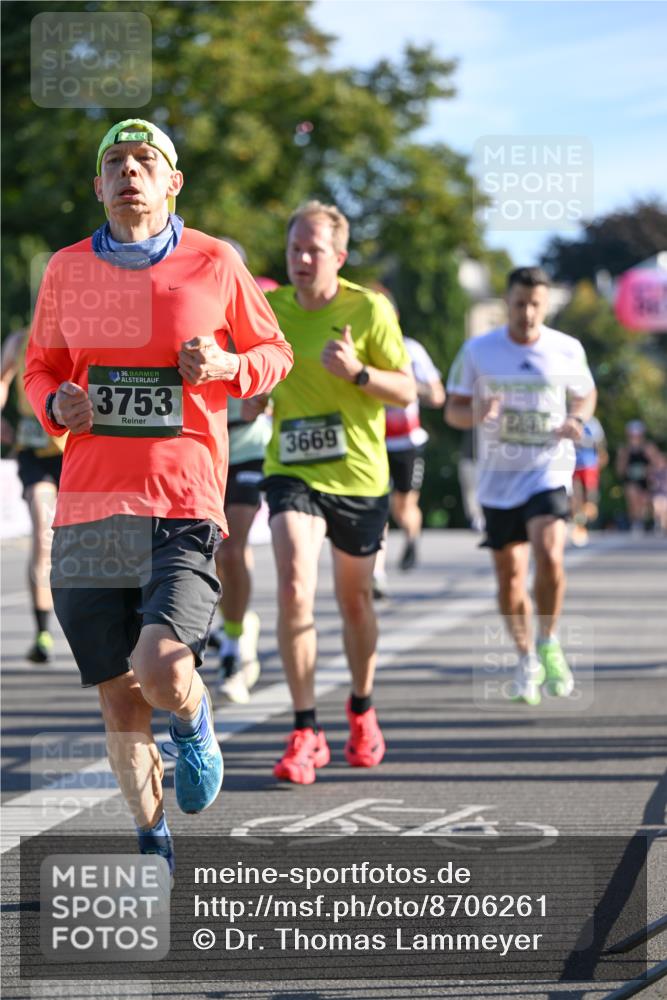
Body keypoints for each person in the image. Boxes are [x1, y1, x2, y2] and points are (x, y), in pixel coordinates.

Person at [24, 118, 293, 871]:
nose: (129, 172)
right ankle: (152, 840)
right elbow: (40, 368)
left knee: (163, 665)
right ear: (98, 185)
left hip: (179, 499)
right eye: (115, 162)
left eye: (146, 161)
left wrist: (225, 365)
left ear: (172, 183)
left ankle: (197, 714)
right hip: (88, 506)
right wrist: (57, 407)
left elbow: (275, 353)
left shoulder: (215, 261)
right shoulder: (66, 270)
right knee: (118, 697)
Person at [253, 200, 414, 784]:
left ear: (338, 256)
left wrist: (359, 374)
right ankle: (305, 729)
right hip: (291, 470)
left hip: (359, 478)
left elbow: (406, 392)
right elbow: (253, 384)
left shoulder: (369, 309)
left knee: (354, 602)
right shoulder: (268, 310)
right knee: (294, 583)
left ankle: (363, 708)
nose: (299, 258)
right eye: (294, 248)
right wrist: (249, 395)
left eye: (312, 250)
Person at [445, 266, 596, 705]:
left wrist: (577, 417)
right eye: (519, 304)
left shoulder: (566, 349)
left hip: (547, 468)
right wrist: (476, 413)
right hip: (498, 478)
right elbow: (453, 410)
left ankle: (548, 640)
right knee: (510, 579)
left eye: (535, 305)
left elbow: (585, 392)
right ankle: (526, 655)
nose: (527, 313)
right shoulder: (478, 350)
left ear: (545, 306)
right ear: (505, 304)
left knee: (549, 553)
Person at [213, 247, 279, 704]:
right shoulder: (186, 308)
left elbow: (283, 359)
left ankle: (235, 643)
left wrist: (269, 395)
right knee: (210, 555)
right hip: (202, 449)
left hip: (251, 447)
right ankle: (228, 625)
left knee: (233, 549)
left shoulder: (256, 309)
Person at [1, 328, 65, 662]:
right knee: (43, 533)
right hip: (34, 451)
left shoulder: (89, 333)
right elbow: (2, 378)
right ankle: (42, 632)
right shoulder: (19, 340)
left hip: (76, 451)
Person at [373, 333, 445, 596]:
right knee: (377, 504)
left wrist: (408, 386)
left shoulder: (412, 349)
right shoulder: (360, 345)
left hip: (407, 442)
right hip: (374, 441)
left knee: (403, 508)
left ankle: (412, 537)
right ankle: (376, 574)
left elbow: (437, 395)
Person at [615, 420, 662, 534]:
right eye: (632, 435)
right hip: (632, 481)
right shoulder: (624, 450)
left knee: (654, 501)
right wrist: (625, 457)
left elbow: (659, 465)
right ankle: (637, 522)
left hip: (649, 481)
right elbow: (620, 471)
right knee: (632, 495)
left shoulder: (649, 448)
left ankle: (655, 522)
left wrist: (649, 467)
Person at [570, 415, 607, 547]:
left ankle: (585, 522)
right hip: (573, 465)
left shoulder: (592, 422)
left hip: (589, 465)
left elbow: (600, 444)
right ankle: (579, 526)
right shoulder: (569, 418)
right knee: (575, 497)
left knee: (589, 500)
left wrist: (600, 458)